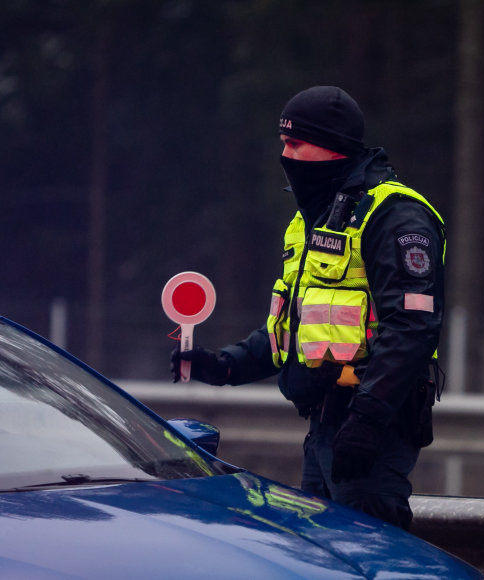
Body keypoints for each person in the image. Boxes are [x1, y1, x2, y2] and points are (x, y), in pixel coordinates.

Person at [171, 85, 445, 530]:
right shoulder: (314, 218)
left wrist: (368, 420)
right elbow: (299, 324)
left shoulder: (396, 216)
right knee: (322, 559)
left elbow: (413, 328)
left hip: (372, 429)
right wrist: (224, 366)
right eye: (283, 142)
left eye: (295, 143)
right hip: (324, 421)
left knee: (367, 559)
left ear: (332, 146)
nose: (285, 154)